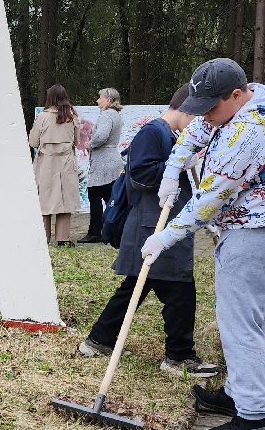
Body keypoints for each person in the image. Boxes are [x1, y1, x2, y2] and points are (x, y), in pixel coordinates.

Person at [141, 58, 265, 430]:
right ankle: (237, 394)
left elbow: (209, 199)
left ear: (236, 95)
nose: (205, 116)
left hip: (261, 227)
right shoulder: (240, 102)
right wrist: (173, 168)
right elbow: (197, 129)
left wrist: (165, 237)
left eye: (211, 107)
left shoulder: (249, 133)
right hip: (254, 222)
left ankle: (252, 417)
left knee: (240, 319)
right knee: (244, 313)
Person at [78, 84, 219, 379]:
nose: (200, 126)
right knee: (180, 290)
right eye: (198, 118)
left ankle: (99, 340)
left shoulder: (171, 135)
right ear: (186, 110)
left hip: (161, 224)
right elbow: (139, 174)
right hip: (152, 224)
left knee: (137, 287)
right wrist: (177, 165)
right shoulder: (153, 133)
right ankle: (178, 357)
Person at [29, 84, 81, 245]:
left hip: (47, 162)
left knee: (44, 199)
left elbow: (33, 142)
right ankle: (63, 238)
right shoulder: (72, 116)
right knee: (65, 199)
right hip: (66, 161)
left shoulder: (43, 117)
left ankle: (42, 238)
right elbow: (77, 141)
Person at [80, 88, 125, 243]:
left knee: (94, 196)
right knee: (110, 197)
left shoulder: (106, 115)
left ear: (108, 99)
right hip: (112, 160)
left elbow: (101, 136)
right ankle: (116, 229)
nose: (97, 100)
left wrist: (89, 144)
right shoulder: (116, 116)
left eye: (100, 97)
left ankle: (95, 233)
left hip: (103, 162)